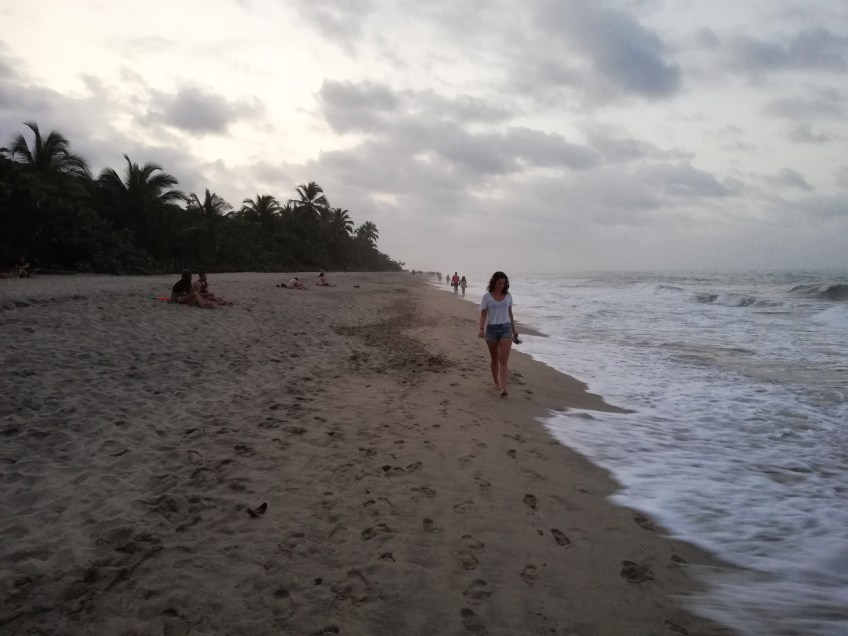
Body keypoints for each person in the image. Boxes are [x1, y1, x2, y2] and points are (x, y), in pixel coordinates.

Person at [478, 271, 519, 397]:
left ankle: (503, 387)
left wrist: (513, 330)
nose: (502, 285)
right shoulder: (487, 297)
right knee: (494, 358)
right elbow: (483, 314)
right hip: (492, 329)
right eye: (499, 283)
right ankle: (496, 382)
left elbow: (510, 313)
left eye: (504, 283)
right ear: (494, 282)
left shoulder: (508, 296)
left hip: (506, 328)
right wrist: (481, 328)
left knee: (503, 359)